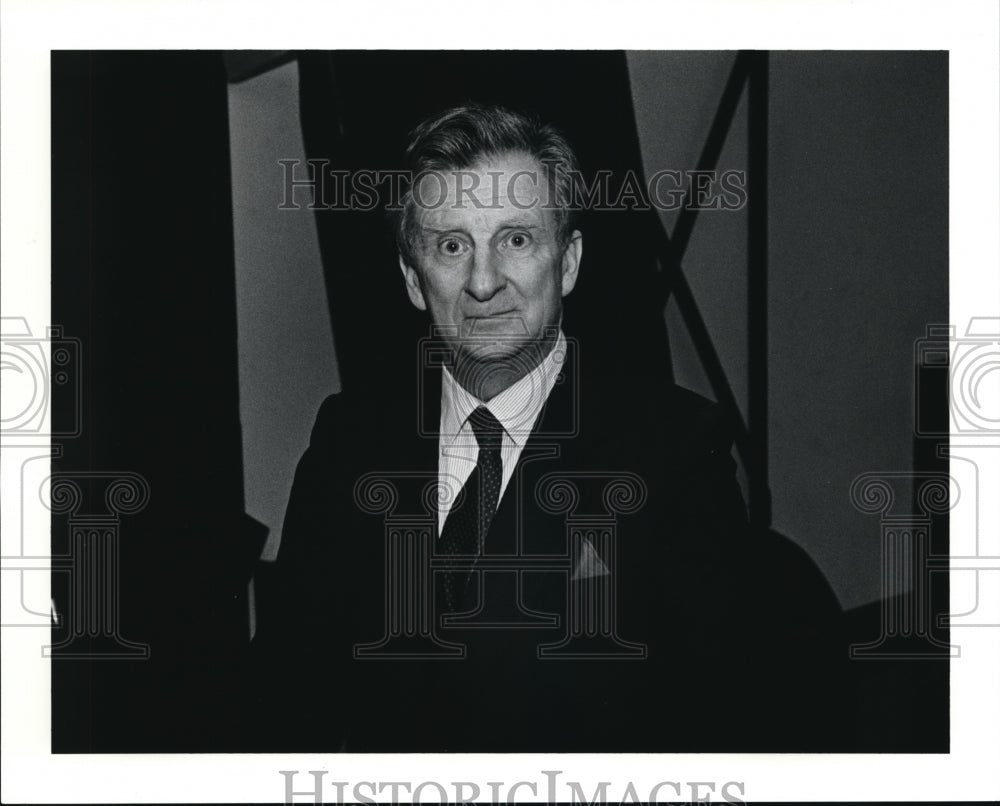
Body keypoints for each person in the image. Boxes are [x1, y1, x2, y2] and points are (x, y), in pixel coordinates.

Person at [251, 104, 848, 752]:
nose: (484, 282)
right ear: (412, 278)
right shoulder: (350, 438)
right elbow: (286, 688)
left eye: (516, 239)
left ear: (567, 262)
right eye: (452, 245)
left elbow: (724, 721)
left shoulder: (674, 449)